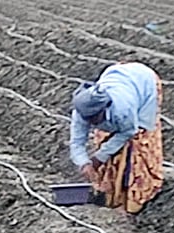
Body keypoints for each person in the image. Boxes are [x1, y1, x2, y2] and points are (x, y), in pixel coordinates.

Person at [68, 62, 164, 216]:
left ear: (104, 109)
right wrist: (84, 163)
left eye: (95, 119)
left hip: (144, 83)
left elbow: (128, 132)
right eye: (89, 120)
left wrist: (99, 158)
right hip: (118, 75)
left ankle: (134, 198)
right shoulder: (82, 110)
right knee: (103, 141)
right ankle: (109, 193)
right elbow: (76, 141)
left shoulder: (122, 110)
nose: (91, 123)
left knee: (138, 144)